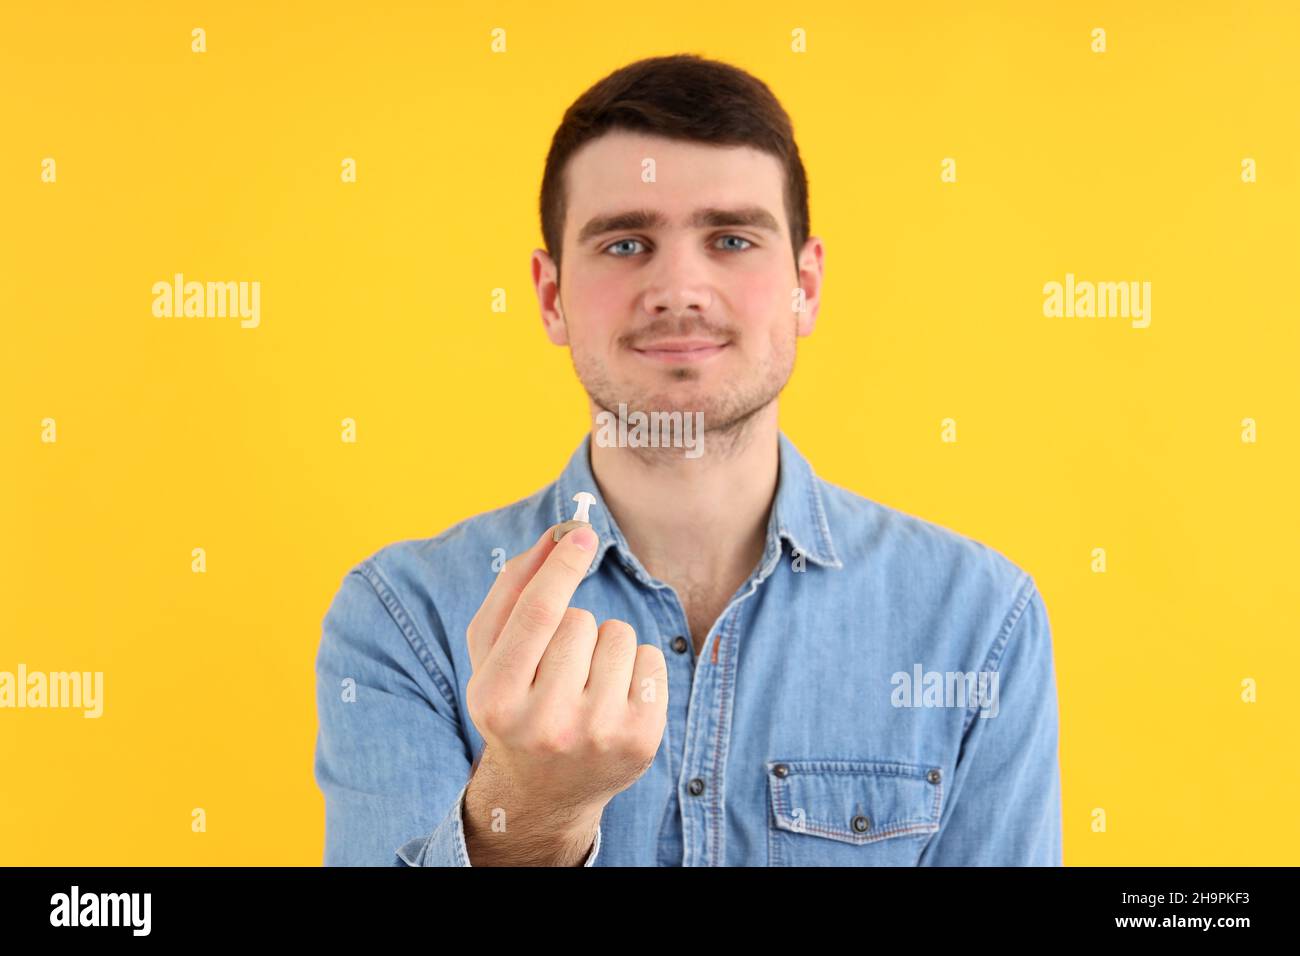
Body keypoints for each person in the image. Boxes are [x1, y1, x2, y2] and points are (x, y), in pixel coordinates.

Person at [313, 53, 1063, 866]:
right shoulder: (403, 619)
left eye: (731, 238)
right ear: (551, 296)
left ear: (805, 285)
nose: (678, 287)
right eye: (627, 242)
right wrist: (527, 813)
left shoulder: (980, 620)